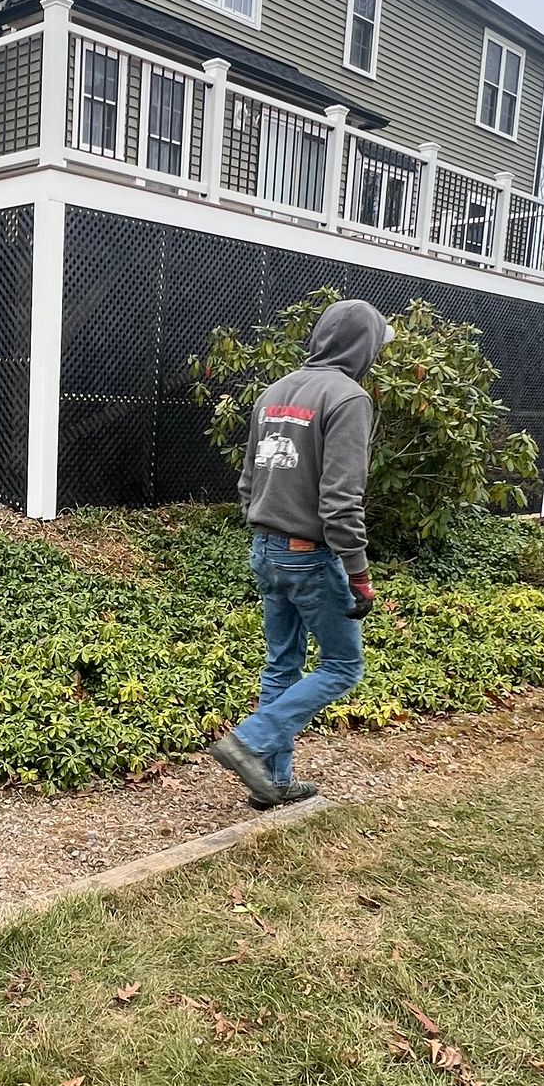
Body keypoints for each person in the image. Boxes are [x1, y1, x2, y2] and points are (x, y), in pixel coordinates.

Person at [208, 297, 391, 807]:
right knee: (342, 666)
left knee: (281, 666)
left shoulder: (274, 392)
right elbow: (340, 498)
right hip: (309, 554)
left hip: (265, 548)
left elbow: (248, 480)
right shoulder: (348, 398)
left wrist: (264, 525)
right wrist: (358, 574)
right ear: (364, 346)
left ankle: (273, 783)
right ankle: (249, 742)